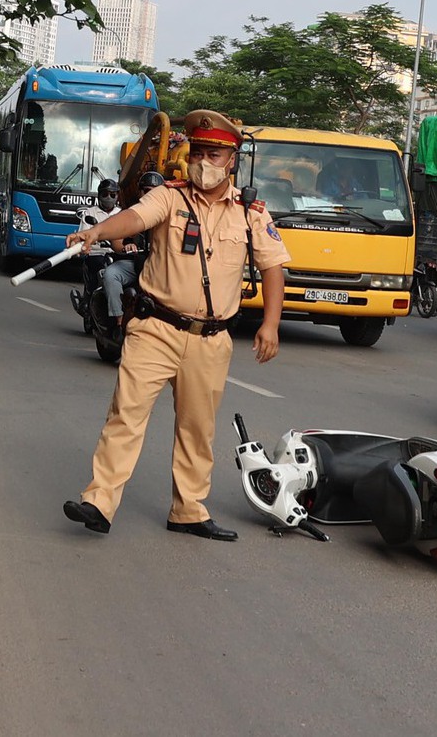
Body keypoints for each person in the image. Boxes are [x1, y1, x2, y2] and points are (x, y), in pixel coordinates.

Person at [62, 111, 291, 541]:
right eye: (199, 152)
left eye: (215, 153)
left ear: (233, 160)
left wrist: (271, 324)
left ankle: (188, 510)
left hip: (211, 337)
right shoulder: (170, 197)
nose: (205, 161)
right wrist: (98, 232)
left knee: (197, 428)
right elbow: (134, 218)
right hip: (155, 327)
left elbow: (273, 266)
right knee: (125, 415)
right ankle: (99, 501)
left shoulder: (250, 212)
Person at [101, 171, 165, 328]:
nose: (150, 194)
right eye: (147, 190)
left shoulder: (170, 217)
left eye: (155, 191)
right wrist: (125, 247)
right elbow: (116, 239)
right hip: (135, 264)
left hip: (160, 268)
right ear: (140, 191)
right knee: (111, 274)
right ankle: (119, 319)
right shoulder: (131, 213)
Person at [78, 179, 123, 303]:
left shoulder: (122, 214)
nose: (109, 197)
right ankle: (89, 299)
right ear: (99, 196)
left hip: (116, 253)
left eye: (112, 195)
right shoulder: (90, 212)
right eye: (105, 194)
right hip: (96, 253)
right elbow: (84, 235)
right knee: (96, 265)